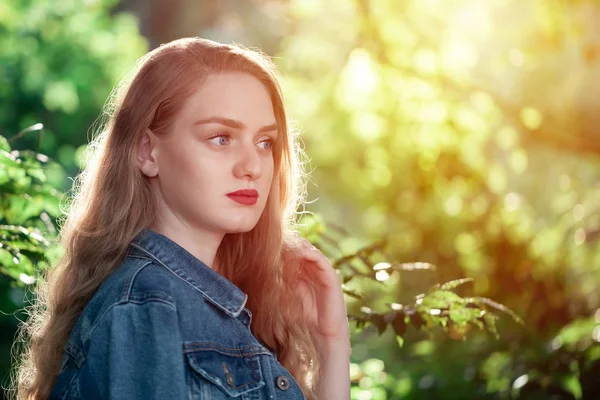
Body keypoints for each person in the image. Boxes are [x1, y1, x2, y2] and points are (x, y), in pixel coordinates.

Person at [13, 37, 351, 399]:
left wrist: (331, 345)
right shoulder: (149, 307)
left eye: (265, 142)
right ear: (148, 151)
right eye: (221, 138)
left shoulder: (219, 306)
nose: (252, 166)